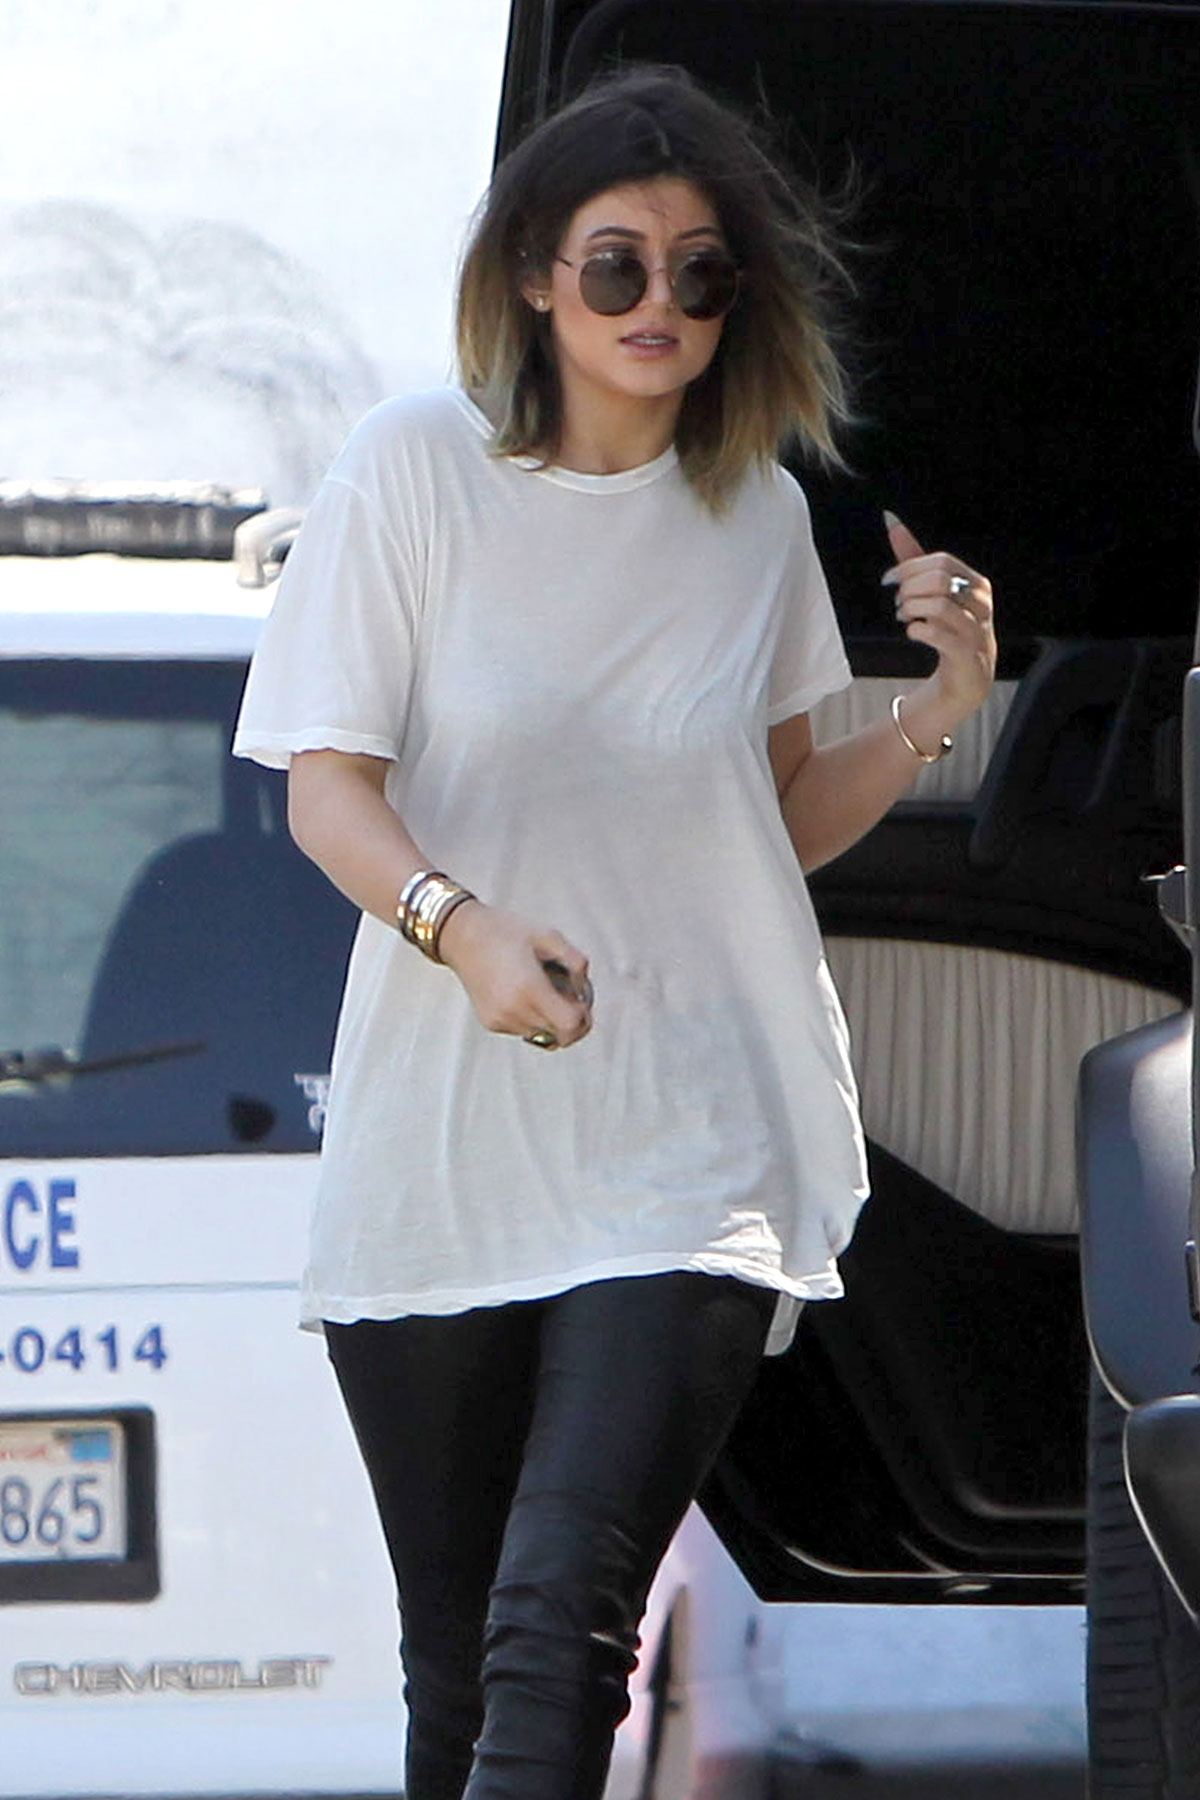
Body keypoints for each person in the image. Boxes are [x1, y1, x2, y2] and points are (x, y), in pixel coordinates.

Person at [232, 63, 996, 1800]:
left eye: (704, 274)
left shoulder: (756, 514)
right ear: (533, 277)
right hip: (449, 1146)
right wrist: (463, 931)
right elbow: (328, 790)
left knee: (559, 1624)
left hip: (693, 1139)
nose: (664, 304)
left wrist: (936, 713)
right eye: (618, 265)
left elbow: (767, 820)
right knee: (455, 1677)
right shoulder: (413, 469)